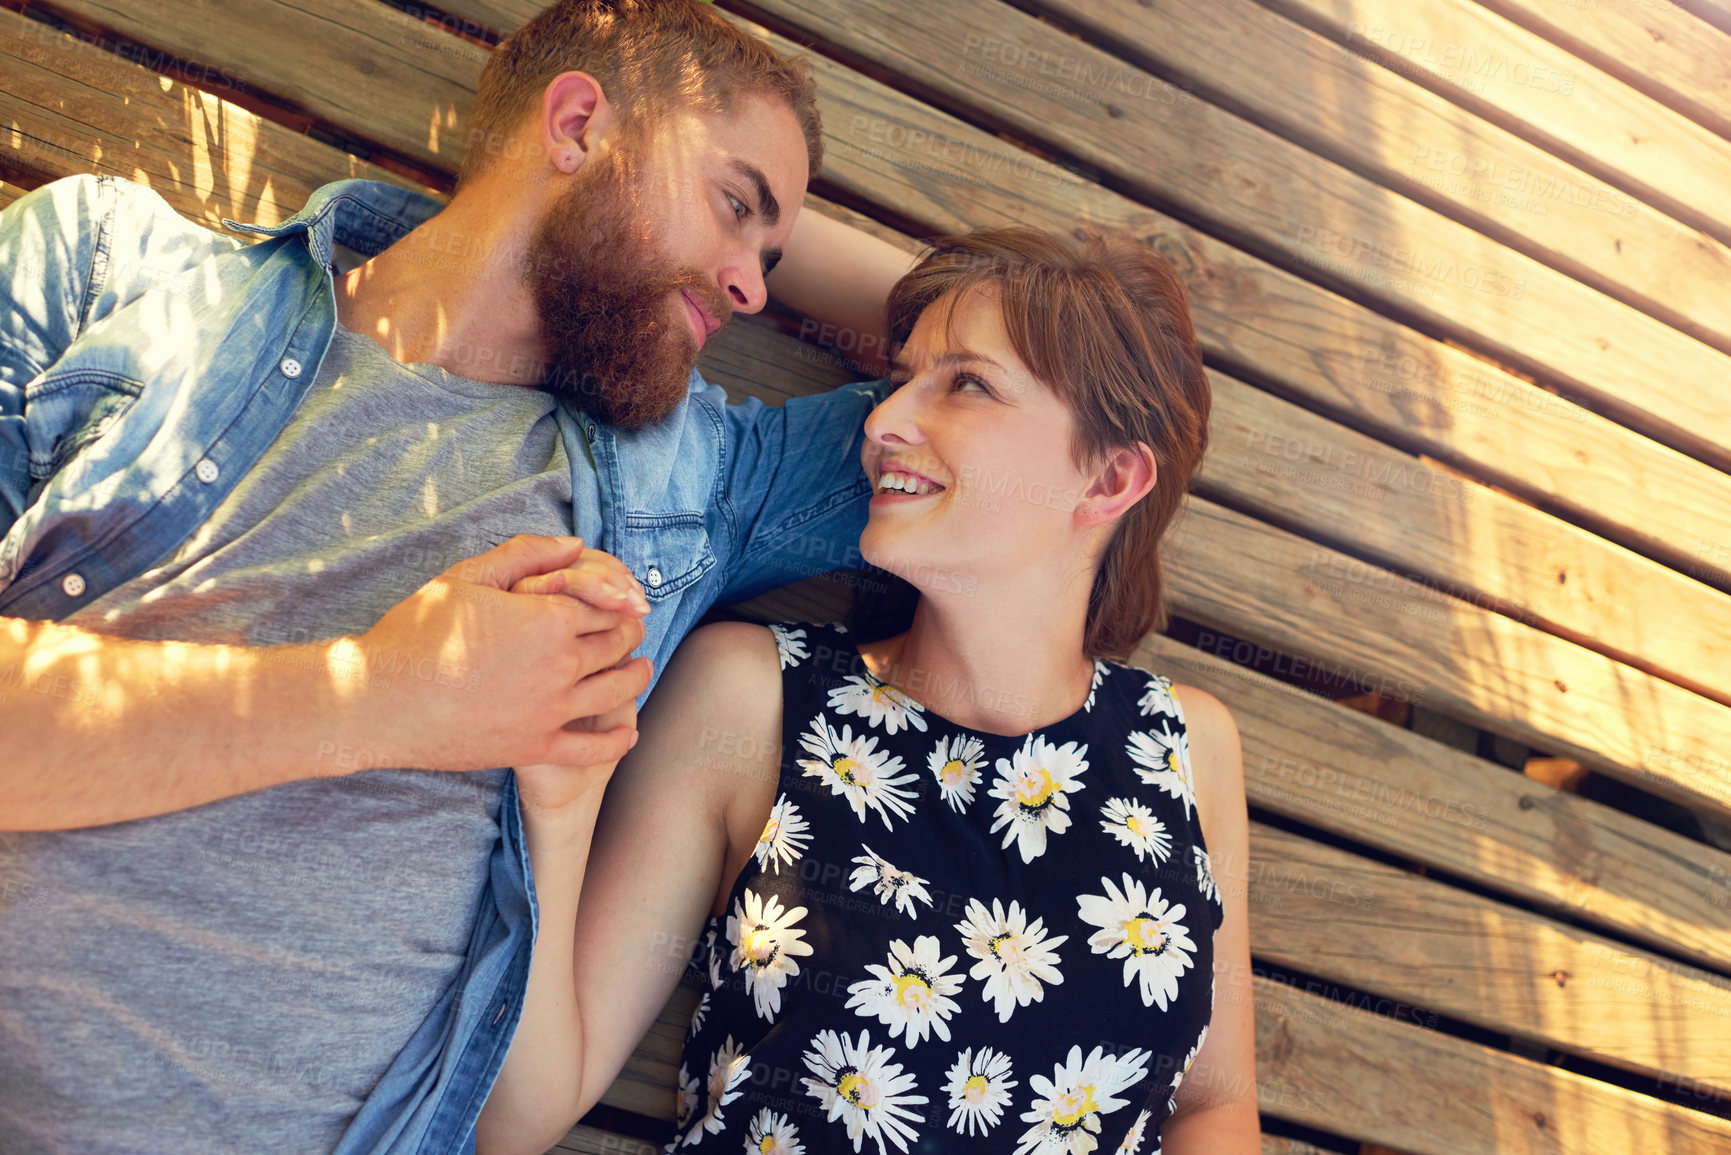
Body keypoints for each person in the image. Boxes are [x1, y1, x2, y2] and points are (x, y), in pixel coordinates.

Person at [0, 1, 914, 1151]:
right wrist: (381, 693)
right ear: (576, 124)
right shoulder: (108, 268)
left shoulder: (694, 484)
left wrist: (753, 226)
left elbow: (1032, 380)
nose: (750, 291)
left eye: (770, 264)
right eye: (734, 204)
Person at [482, 228, 1261, 1154]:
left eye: (965, 383)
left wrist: (1062, 302)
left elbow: (1210, 1101)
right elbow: (519, 1116)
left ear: (1111, 476)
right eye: (902, 376)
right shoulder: (751, 698)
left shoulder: (1186, 747)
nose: (881, 420)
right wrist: (557, 812)